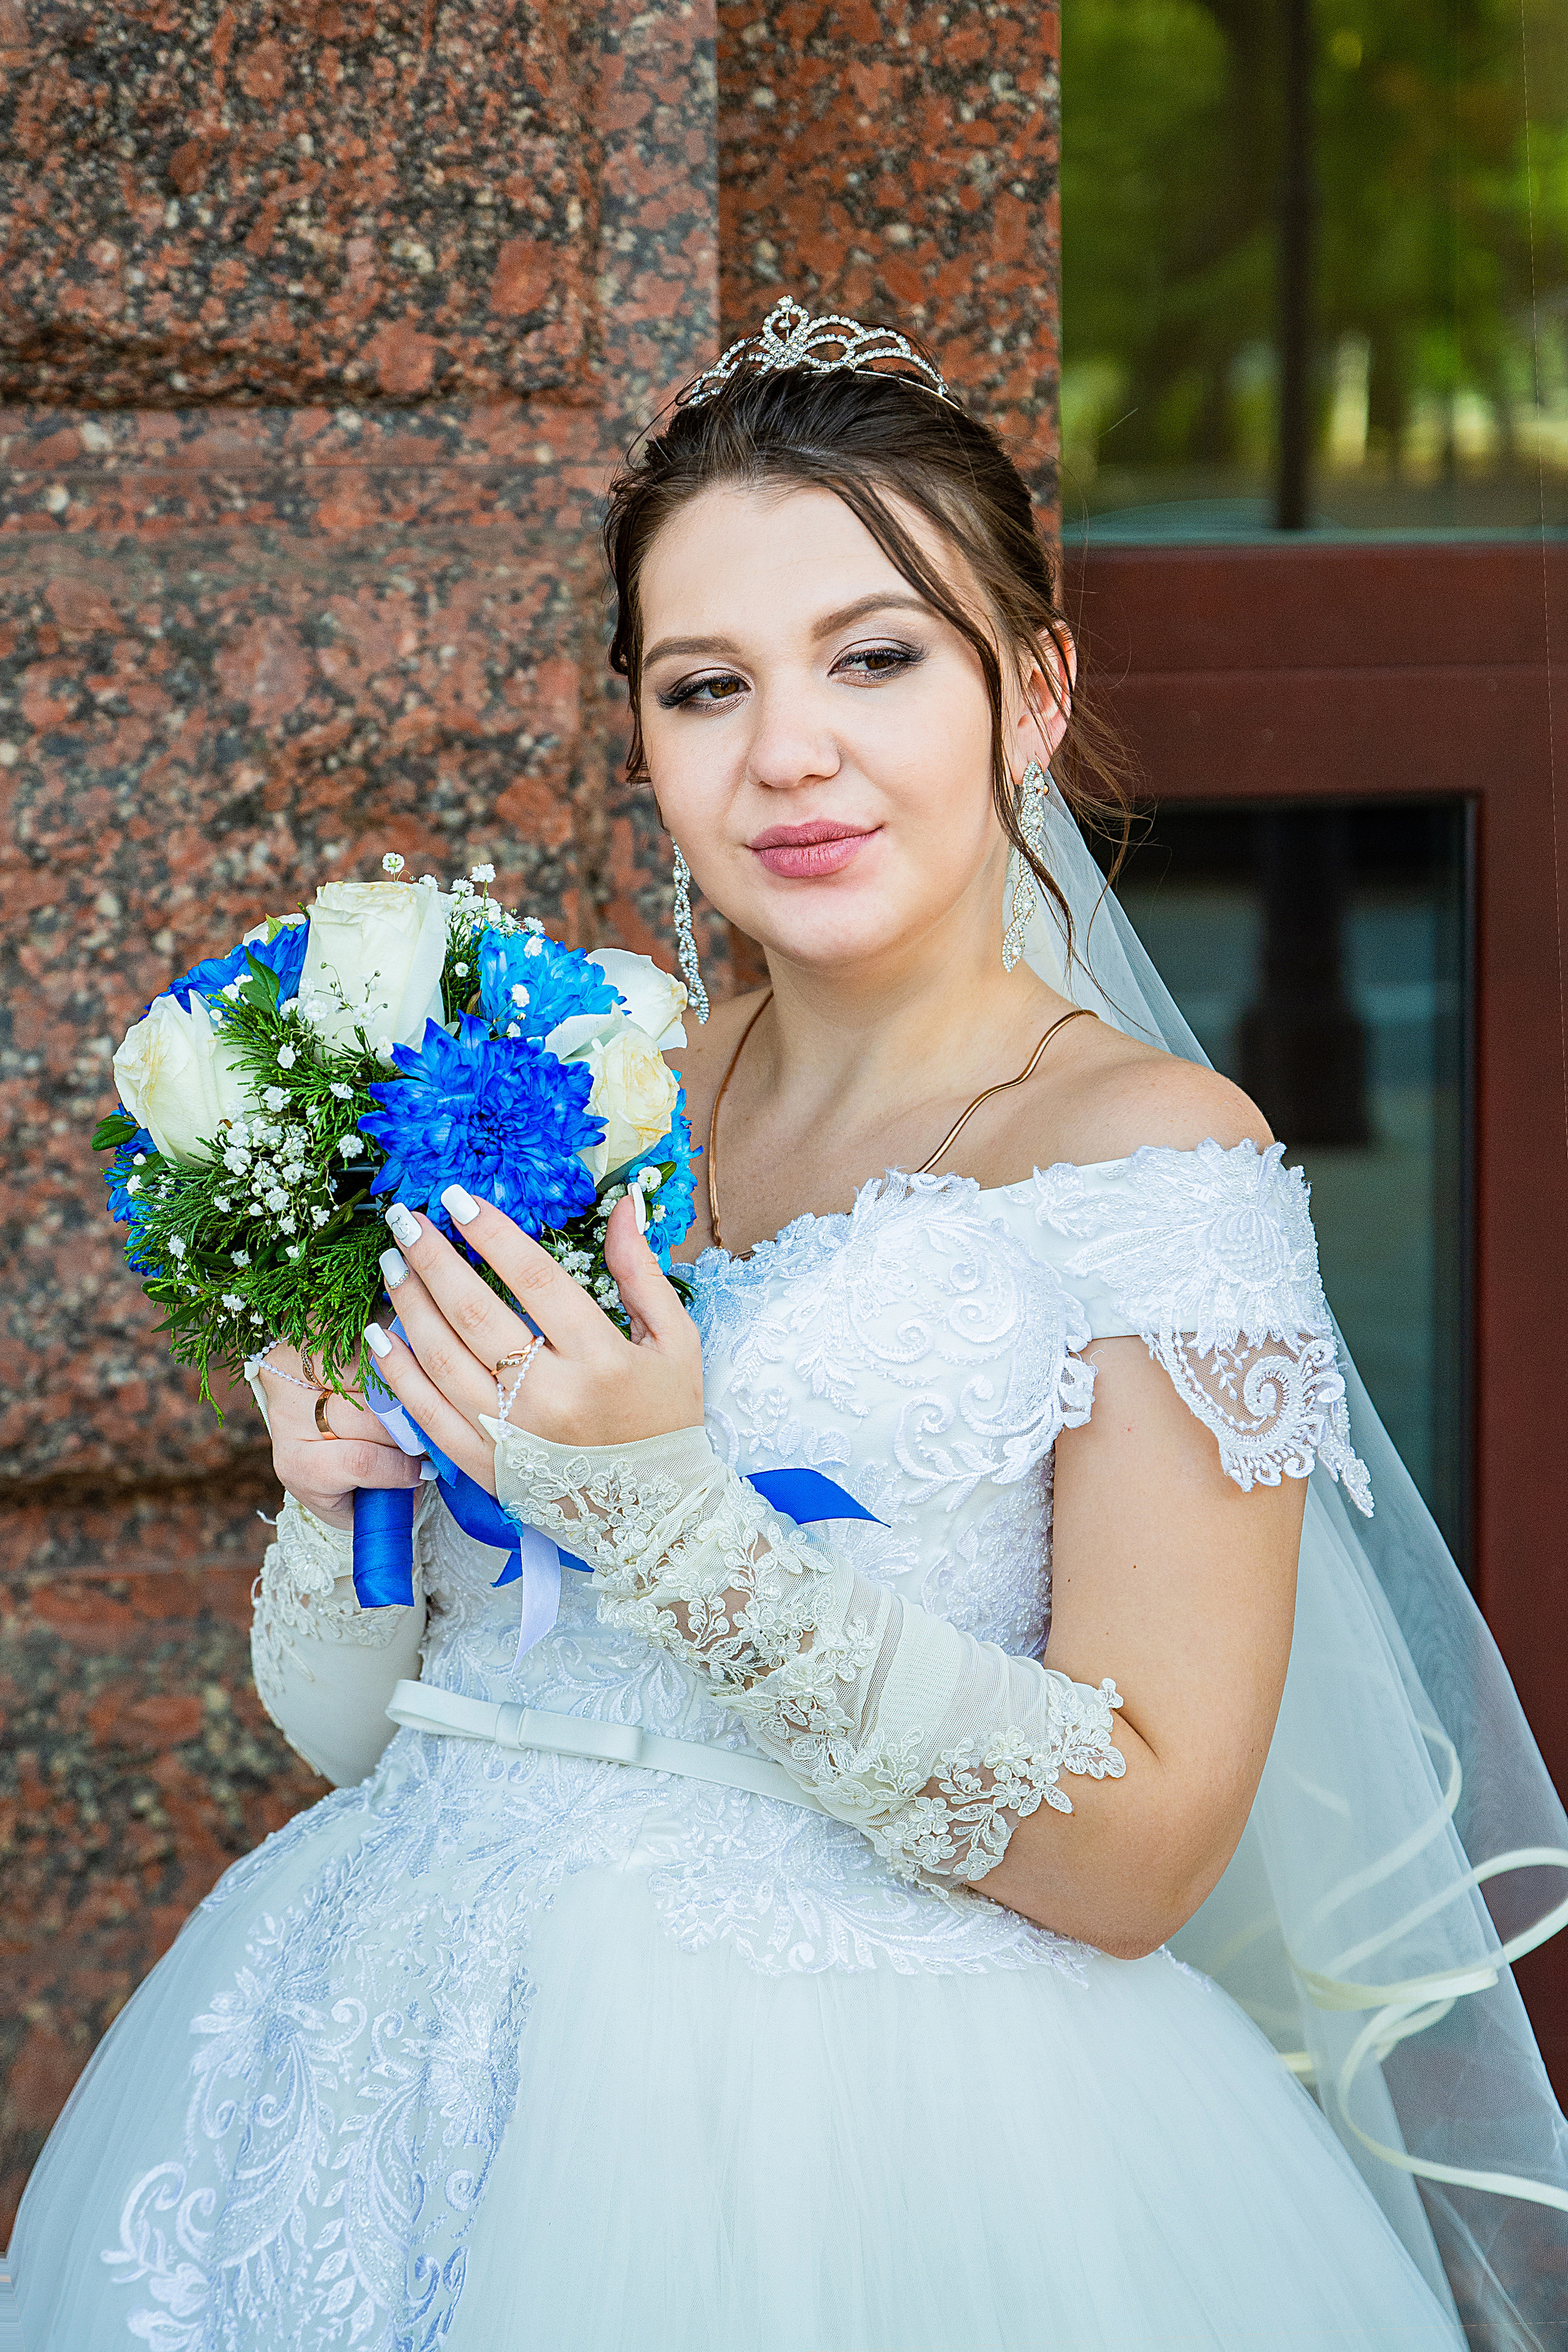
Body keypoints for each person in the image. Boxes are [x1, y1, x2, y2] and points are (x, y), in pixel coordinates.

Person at [10, 301, 1568, 2351]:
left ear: (1033, 691)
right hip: (365, 2068)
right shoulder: (604, 1091)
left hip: (859, 2143)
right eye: (706, 686)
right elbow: (380, 1731)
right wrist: (348, 1501)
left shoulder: (1153, 1164)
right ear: (642, 735)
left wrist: (678, 1514)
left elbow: (1149, 1852)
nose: (790, 753)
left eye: (876, 658)